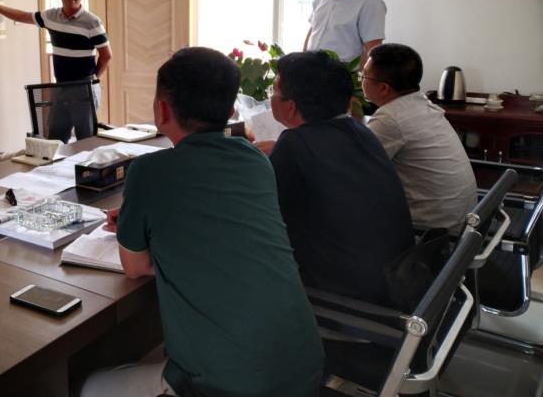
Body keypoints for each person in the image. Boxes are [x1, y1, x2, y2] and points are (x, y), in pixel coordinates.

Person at [82, 47, 324, 397]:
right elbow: (227, 227)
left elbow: (135, 267)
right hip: (303, 366)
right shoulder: (255, 161)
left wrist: (149, 234)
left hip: (232, 385)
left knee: (89, 386)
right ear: (231, 110)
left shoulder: (149, 171)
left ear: (162, 110)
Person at [266, 51, 414, 304]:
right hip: (399, 281)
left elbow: (266, 218)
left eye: (274, 91)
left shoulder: (295, 144)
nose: (271, 98)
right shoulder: (360, 131)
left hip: (350, 302)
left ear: (290, 107)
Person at [0, 0, 111, 141]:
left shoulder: (92, 22)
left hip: (84, 87)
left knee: (86, 140)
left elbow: (106, 55)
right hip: (60, 87)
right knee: (55, 139)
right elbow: (23, 16)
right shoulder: (51, 16)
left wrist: (92, 80)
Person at [363, 43, 477, 231]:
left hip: (433, 235)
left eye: (364, 75)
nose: (361, 79)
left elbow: (355, 170)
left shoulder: (390, 119)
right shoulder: (423, 104)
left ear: (383, 88)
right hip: (463, 225)